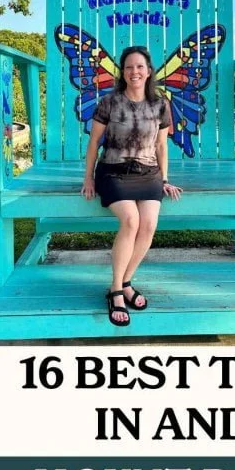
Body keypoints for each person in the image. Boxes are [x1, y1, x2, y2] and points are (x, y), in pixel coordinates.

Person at [81, 46, 182, 327]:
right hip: (113, 172)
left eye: (139, 67)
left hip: (148, 173)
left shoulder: (161, 104)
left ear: (148, 71)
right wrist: (88, 178)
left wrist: (163, 179)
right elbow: (93, 144)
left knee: (149, 224)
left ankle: (127, 281)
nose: (134, 72)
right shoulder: (109, 102)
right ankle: (115, 290)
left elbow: (162, 146)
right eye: (128, 67)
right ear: (122, 73)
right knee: (131, 220)